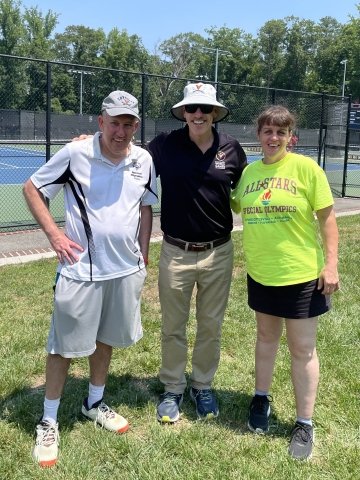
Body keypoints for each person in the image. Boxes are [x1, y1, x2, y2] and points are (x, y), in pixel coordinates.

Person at [23, 90, 158, 467]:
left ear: (136, 125)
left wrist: (142, 253)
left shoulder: (143, 159)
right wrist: (54, 235)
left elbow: (146, 206)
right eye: (114, 122)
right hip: (80, 271)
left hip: (124, 271)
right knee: (63, 347)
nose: (121, 130)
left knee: (106, 340)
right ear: (100, 122)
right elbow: (32, 188)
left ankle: (94, 402)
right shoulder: (75, 153)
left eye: (128, 123)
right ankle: (48, 419)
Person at [230, 105, 339, 460]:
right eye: (267, 131)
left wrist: (331, 265)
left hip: (301, 275)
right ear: (258, 135)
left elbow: (327, 220)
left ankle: (304, 423)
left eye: (281, 132)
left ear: (291, 136)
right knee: (265, 338)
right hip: (262, 273)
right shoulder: (249, 174)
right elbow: (230, 201)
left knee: (302, 349)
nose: (273, 137)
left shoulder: (306, 169)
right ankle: (260, 399)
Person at [148, 83, 247, 423]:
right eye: (192, 109)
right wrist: (89, 143)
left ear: (215, 113)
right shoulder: (164, 146)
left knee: (210, 325)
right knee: (173, 326)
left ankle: (202, 385)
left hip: (218, 252)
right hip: (176, 251)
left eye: (205, 109)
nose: (199, 115)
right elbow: (128, 162)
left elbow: (250, 190)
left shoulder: (232, 149)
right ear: (183, 113)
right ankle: (173, 388)